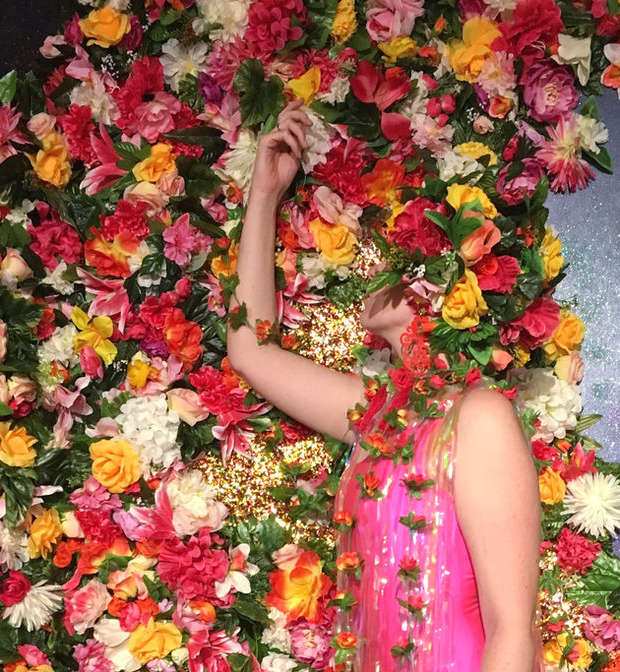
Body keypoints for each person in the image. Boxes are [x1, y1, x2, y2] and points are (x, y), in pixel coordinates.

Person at [226, 97, 544, 671]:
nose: (373, 265)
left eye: (396, 251)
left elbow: (514, 632)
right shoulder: (378, 414)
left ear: (435, 286)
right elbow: (249, 348)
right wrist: (265, 195)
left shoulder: (479, 418)